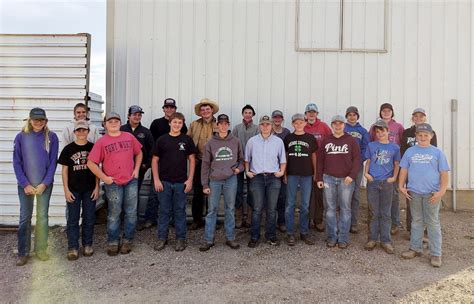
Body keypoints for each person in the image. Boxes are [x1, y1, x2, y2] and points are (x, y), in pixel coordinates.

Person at [87, 112, 143, 256]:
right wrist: (104, 177)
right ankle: (113, 241)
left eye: (116, 120)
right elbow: (91, 163)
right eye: (110, 121)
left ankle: (127, 240)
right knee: (114, 213)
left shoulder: (129, 137)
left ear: (120, 122)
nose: (113, 123)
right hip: (113, 183)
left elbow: (139, 153)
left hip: (130, 180)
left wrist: (136, 169)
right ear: (105, 124)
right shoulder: (102, 142)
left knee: (131, 212)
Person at [399, 123, 449, 268]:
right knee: (416, 221)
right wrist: (401, 186)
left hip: (432, 194)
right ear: (416, 136)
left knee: (432, 223)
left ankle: (436, 253)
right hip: (414, 192)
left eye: (425, 135)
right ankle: (415, 248)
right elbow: (404, 170)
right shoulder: (410, 152)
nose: (422, 137)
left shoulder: (437, 153)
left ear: (431, 136)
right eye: (419, 135)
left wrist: (442, 191)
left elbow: (444, 174)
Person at [13, 108, 59, 266]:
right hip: (25, 185)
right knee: (25, 218)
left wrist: (44, 183)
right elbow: (17, 162)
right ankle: (23, 252)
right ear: (30, 120)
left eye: (41, 120)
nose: (38, 122)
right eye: (35, 120)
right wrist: (24, 184)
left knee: (42, 217)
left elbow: (53, 163)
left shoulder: (51, 137)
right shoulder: (21, 137)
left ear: (46, 121)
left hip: (44, 185)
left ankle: (41, 249)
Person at [152, 112, 196, 252]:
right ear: (170, 123)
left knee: (180, 211)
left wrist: (190, 180)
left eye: (180, 123)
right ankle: (161, 238)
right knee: (164, 211)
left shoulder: (187, 140)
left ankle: (180, 239)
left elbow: (192, 160)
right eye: (174, 122)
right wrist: (156, 179)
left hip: (180, 183)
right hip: (164, 182)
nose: (177, 125)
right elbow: (154, 160)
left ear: (182, 125)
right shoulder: (162, 140)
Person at [199, 114, 243, 251]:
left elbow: (242, 159)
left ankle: (230, 238)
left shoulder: (235, 141)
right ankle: (208, 240)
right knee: (212, 210)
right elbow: (205, 165)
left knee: (230, 209)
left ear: (228, 125)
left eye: (226, 123)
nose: (223, 126)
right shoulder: (211, 143)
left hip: (231, 179)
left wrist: (238, 169)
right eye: (221, 123)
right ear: (217, 125)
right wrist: (205, 184)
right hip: (215, 180)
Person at [143, 98, 188, 230]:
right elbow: (151, 143)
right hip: (159, 162)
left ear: (175, 109)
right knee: (154, 190)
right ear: (163, 109)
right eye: (167, 107)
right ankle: (150, 218)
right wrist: (152, 161)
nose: (169, 109)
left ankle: (174, 219)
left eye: (172, 107)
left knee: (175, 194)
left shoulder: (181, 125)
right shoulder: (156, 123)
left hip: (174, 164)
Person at [316, 115, 360, 249]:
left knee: (345, 209)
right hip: (328, 178)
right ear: (332, 125)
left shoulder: (351, 140)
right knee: (330, 209)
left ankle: (343, 238)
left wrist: (352, 176)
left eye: (340, 123)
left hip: (345, 179)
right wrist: (319, 178)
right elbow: (320, 160)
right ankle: (332, 237)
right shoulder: (326, 140)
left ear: (344, 125)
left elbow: (357, 159)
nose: (338, 126)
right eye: (335, 124)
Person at [58, 120, 100, 260]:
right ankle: (73, 247)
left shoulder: (93, 147)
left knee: (89, 218)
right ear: (74, 132)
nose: (81, 133)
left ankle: (87, 245)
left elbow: (97, 169)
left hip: (89, 189)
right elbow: (64, 171)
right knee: (73, 219)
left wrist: (97, 187)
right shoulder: (68, 149)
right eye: (78, 130)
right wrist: (66, 189)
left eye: (84, 130)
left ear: (88, 131)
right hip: (73, 189)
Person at [245, 115, 286, 248]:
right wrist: (247, 171)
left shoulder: (278, 141)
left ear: (272, 126)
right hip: (257, 177)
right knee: (257, 208)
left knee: (271, 208)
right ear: (259, 126)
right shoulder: (252, 141)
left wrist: (281, 172)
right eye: (262, 124)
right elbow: (247, 158)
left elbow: (283, 159)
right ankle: (254, 236)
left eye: (268, 124)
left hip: (273, 177)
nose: (265, 127)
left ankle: (271, 236)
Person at [364, 120, 400, 254]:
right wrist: (366, 174)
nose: (380, 134)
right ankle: (372, 238)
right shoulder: (371, 146)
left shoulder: (394, 147)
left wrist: (394, 177)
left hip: (387, 182)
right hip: (373, 182)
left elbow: (396, 164)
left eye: (382, 131)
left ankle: (386, 240)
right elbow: (368, 161)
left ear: (388, 131)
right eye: (377, 132)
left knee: (385, 213)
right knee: (373, 211)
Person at [400, 108, 438, 233]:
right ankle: (412, 230)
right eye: (416, 116)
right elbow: (402, 151)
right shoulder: (406, 133)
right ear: (412, 118)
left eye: (421, 116)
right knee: (411, 200)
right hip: (411, 170)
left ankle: (426, 229)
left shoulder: (431, 132)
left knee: (427, 200)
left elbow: (434, 152)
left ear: (424, 118)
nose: (418, 118)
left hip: (426, 171)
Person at [369, 103, 404, 235]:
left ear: (392, 112)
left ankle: (394, 223)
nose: (386, 112)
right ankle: (376, 225)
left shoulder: (398, 126)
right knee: (376, 200)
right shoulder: (374, 127)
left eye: (389, 110)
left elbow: (403, 143)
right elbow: (371, 144)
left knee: (393, 195)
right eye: (384, 111)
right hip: (378, 167)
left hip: (392, 165)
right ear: (380, 112)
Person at [283, 113, 317, 246]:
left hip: (307, 174)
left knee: (305, 205)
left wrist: (315, 172)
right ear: (292, 124)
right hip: (291, 173)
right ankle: (290, 233)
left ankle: (304, 232)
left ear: (305, 123)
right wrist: (284, 173)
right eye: (296, 123)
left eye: (301, 122)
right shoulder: (288, 138)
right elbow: (284, 156)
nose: (298, 125)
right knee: (290, 204)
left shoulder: (310, 138)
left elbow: (314, 156)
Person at [120, 105, 154, 228]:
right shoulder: (121, 129)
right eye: (134, 114)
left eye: (139, 115)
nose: (137, 117)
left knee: (134, 194)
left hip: (139, 169)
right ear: (129, 116)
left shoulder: (145, 131)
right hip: (121, 169)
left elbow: (152, 149)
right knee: (121, 195)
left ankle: (136, 221)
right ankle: (122, 220)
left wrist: (146, 164)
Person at [187, 98, 219, 230]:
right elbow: (188, 140)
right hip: (199, 161)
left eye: (207, 109)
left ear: (212, 110)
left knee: (214, 191)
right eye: (203, 109)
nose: (205, 111)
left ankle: (212, 220)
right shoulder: (194, 124)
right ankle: (197, 219)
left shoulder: (218, 124)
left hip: (215, 163)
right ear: (200, 112)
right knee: (198, 191)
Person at [304, 102, 332, 232]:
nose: (311, 114)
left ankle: (318, 220)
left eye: (313, 112)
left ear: (317, 114)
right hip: (305, 164)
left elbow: (331, 141)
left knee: (318, 193)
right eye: (309, 112)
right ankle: (307, 219)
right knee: (306, 193)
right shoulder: (302, 126)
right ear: (306, 114)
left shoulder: (323, 127)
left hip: (321, 164)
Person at [232, 104, 259, 228]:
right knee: (237, 190)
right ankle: (238, 217)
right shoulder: (237, 128)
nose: (248, 114)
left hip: (252, 163)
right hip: (239, 162)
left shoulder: (257, 128)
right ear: (242, 114)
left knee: (252, 190)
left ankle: (249, 216)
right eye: (245, 112)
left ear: (252, 115)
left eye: (250, 112)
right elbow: (232, 144)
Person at [344, 106, 370, 234]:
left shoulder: (363, 131)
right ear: (346, 116)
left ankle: (353, 223)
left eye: (354, 115)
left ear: (357, 116)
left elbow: (366, 147)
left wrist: (359, 160)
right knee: (343, 194)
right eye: (349, 115)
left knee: (355, 194)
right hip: (343, 166)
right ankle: (344, 222)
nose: (352, 117)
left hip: (357, 166)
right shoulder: (342, 128)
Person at [271, 110, 291, 233]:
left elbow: (288, 153)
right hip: (270, 169)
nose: (277, 119)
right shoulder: (267, 131)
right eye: (275, 117)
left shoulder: (287, 132)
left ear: (282, 119)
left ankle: (281, 221)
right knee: (270, 197)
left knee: (283, 197)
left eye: (279, 117)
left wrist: (285, 171)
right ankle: (270, 222)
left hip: (282, 168)